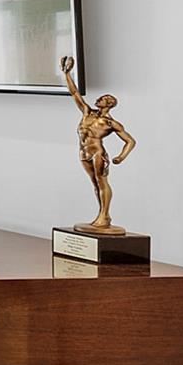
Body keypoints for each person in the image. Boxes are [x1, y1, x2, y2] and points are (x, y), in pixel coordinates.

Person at [60, 55, 135, 234]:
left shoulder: (110, 124)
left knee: (102, 182)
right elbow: (75, 93)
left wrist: (121, 157)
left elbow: (130, 141)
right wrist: (66, 74)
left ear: (108, 104)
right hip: (83, 153)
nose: (98, 99)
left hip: (97, 153)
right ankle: (103, 216)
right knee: (95, 183)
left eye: (102, 99)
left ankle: (104, 215)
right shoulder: (87, 112)